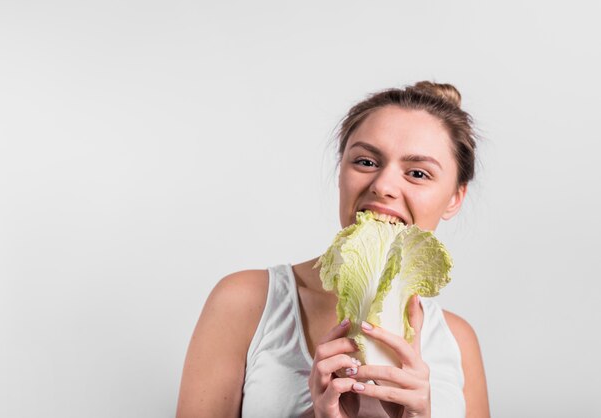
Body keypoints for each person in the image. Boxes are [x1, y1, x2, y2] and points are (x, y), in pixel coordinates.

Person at [176, 81, 490, 418]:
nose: (383, 185)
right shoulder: (247, 301)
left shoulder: (458, 340)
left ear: (455, 197)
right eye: (366, 162)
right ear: (341, 170)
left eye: (417, 173)